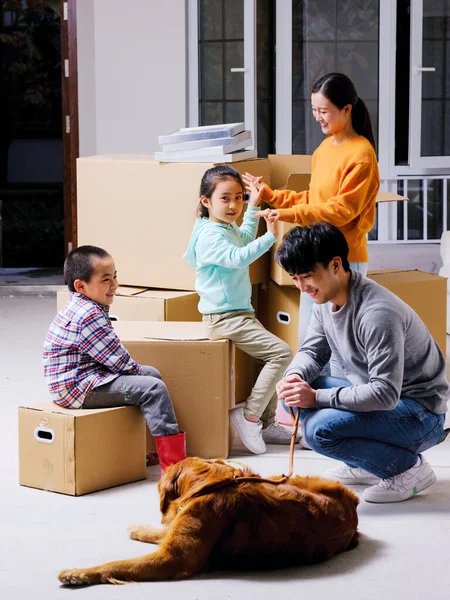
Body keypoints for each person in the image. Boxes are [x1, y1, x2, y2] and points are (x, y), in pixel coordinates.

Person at [275, 222, 449, 503]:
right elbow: (312, 352)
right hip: (383, 401)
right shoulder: (325, 301)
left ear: (335, 265)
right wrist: (294, 376)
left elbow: (384, 393)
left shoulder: (377, 313)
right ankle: (364, 461)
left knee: (319, 431)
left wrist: (317, 396)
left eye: (307, 276)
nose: (302, 286)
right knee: (292, 395)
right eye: (295, 278)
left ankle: (407, 469)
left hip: (421, 414)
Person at [242, 72, 380, 345]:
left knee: (344, 344)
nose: (318, 117)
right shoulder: (324, 149)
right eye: (314, 110)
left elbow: (341, 210)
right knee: (310, 338)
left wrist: (286, 214)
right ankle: (308, 388)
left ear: (347, 109)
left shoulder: (362, 155)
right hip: (315, 253)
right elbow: (314, 199)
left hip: (343, 259)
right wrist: (272, 196)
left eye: (324, 111)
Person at [183, 165, 297, 455]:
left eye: (239, 197)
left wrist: (255, 205)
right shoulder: (210, 235)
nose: (234, 205)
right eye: (225, 198)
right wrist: (271, 236)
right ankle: (249, 416)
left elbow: (243, 239)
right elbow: (237, 257)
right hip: (224, 318)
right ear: (205, 201)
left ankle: (267, 422)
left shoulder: (224, 226)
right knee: (281, 353)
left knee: (269, 358)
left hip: (237, 314)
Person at [43, 245, 186, 474]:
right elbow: (118, 361)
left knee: (151, 376)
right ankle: (175, 468)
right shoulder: (88, 314)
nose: (115, 286)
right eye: (106, 280)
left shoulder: (83, 303)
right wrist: (139, 372)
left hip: (84, 377)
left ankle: (148, 448)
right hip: (78, 387)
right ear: (81, 285)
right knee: (153, 388)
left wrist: (142, 373)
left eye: (115, 277)